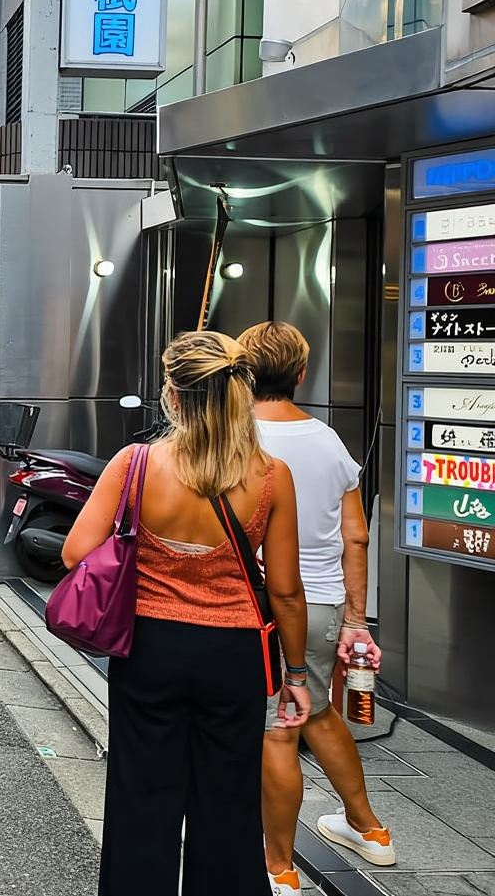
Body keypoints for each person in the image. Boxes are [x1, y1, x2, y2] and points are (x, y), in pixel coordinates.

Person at [60, 330, 311, 896]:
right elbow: (289, 592)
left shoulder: (137, 463)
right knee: (227, 802)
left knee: (139, 798)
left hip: (149, 647)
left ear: (172, 396)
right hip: (234, 654)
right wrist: (295, 675)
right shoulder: (271, 476)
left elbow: (76, 552)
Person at [238, 322, 395, 895]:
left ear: (243, 372)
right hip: (326, 602)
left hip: (261, 604)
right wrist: (357, 620)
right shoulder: (330, 441)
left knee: (278, 728)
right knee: (318, 713)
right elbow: (357, 537)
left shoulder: (236, 439)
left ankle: (279, 867)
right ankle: (369, 829)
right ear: (302, 374)